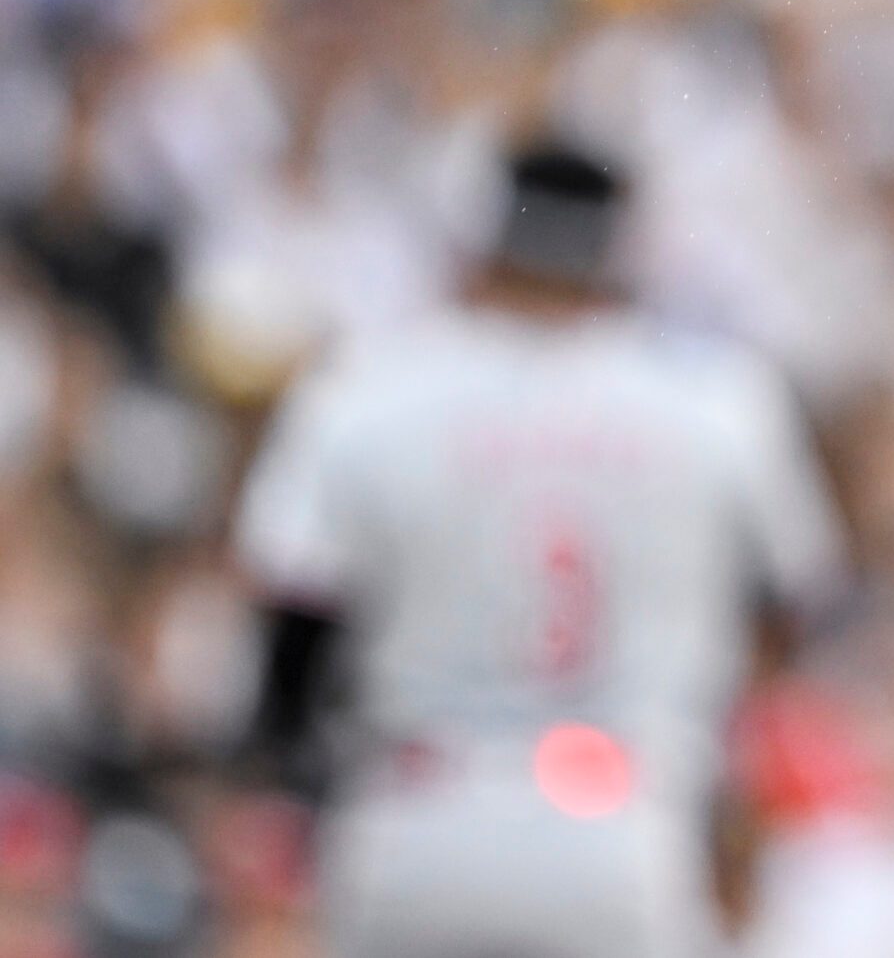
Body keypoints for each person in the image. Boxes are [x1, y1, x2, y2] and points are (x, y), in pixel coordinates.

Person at [234, 140, 844, 958]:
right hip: (627, 822)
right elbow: (791, 608)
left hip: (415, 810)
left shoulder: (370, 386)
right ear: (617, 247)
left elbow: (292, 631)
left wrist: (305, 779)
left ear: (488, 236)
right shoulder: (715, 396)